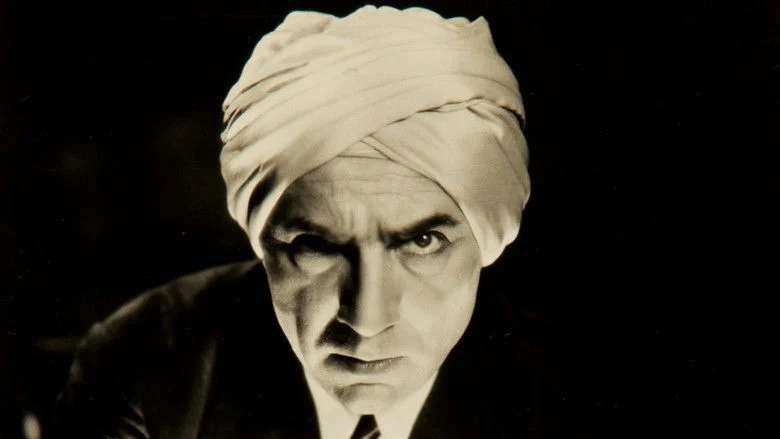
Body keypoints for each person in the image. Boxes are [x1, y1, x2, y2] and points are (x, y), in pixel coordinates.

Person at [53, 5, 548, 438]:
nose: (367, 319)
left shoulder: (572, 392)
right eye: (316, 246)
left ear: (490, 237)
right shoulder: (150, 364)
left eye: (422, 241)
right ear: (261, 242)